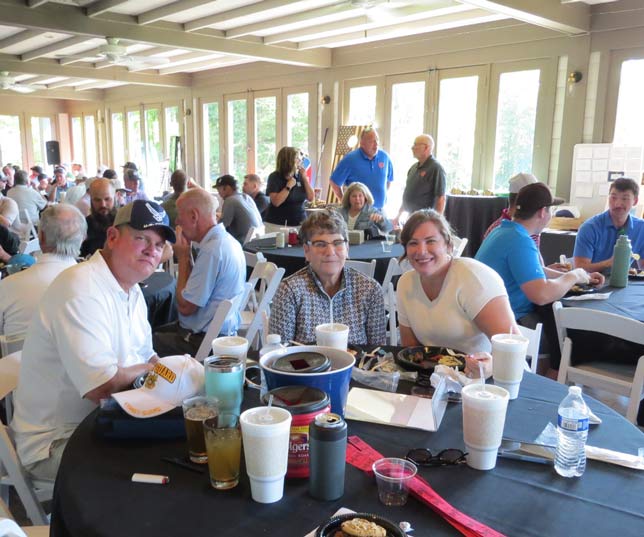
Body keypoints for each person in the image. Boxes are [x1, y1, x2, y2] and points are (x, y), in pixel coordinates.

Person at [11, 199, 175, 480]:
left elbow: (146, 355)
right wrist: (155, 372)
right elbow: (101, 387)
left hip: (105, 420)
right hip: (56, 441)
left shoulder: (131, 290)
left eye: (159, 245)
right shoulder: (80, 288)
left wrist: (174, 376)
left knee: (181, 441)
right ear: (112, 237)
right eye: (141, 238)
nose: (152, 250)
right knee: (155, 467)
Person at [475, 182, 604, 372]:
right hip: (509, 322)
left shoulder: (503, 230)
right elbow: (541, 294)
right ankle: (548, 384)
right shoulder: (520, 241)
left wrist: (580, 276)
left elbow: (536, 271)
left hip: (487, 315)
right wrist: (573, 275)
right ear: (543, 212)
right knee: (565, 338)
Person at [396, 210, 517, 367]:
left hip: (485, 381)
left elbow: (513, 348)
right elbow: (411, 351)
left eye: (430, 241)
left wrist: (490, 369)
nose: (421, 251)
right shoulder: (405, 283)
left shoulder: (473, 279)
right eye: (413, 243)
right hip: (434, 380)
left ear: (448, 245)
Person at [269, 210, 385, 345]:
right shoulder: (290, 290)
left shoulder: (369, 289)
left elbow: (377, 352)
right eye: (320, 244)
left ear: (347, 248)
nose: (330, 252)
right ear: (307, 251)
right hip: (304, 366)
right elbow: (279, 353)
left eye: (337, 243)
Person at [153, 188, 246, 357]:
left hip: (204, 343)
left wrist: (182, 257)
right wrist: (187, 254)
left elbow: (186, 307)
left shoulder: (212, 250)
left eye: (180, 217)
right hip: (222, 332)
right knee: (159, 327)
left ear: (194, 217)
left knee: (147, 341)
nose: (178, 223)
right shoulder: (228, 241)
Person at [0, 204, 86, 336]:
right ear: (83, 238)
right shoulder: (96, 285)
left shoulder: (7, 286)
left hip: (18, 356)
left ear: (41, 237)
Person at [573, 177, 644, 272]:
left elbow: (642, 266)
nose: (618, 204)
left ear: (635, 201)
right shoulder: (589, 228)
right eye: (613, 197)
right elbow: (580, 268)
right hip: (592, 283)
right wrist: (609, 263)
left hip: (625, 282)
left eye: (625, 198)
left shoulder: (641, 228)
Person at [330, 128, 394, 210]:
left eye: (377, 140)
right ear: (362, 143)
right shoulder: (350, 159)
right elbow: (334, 182)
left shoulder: (385, 157)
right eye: (371, 141)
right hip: (358, 214)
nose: (376, 144)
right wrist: (344, 203)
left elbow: (389, 180)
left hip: (380, 212)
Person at [395, 134, 446, 225]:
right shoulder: (413, 168)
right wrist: (398, 215)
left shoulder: (436, 168)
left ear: (426, 147)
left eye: (415, 145)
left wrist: (436, 223)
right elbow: (408, 194)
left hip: (425, 220)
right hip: (410, 217)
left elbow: (441, 199)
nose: (412, 148)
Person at [264, 146, 314, 229]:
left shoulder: (299, 176)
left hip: (300, 223)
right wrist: (288, 187)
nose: (300, 161)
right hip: (277, 224)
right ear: (289, 161)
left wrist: (305, 179)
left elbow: (311, 197)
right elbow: (276, 202)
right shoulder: (275, 177)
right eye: (297, 158)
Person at [214, 174, 262, 244]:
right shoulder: (246, 197)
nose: (219, 193)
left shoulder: (230, 200)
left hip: (244, 243)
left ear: (227, 188)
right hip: (257, 241)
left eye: (219, 189)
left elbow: (221, 227)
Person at [80, 178, 116, 258]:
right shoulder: (84, 226)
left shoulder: (125, 223)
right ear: (91, 199)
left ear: (115, 196)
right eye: (97, 200)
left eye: (107, 199)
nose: (103, 204)